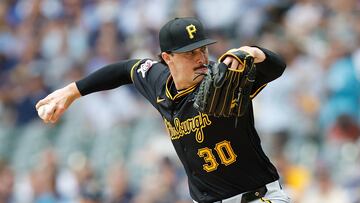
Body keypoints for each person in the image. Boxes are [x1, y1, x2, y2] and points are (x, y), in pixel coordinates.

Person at [36, 17, 290, 203]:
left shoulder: (224, 80)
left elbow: (276, 67)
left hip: (257, 198)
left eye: (203, 49)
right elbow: (125, 69)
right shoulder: (158, 81)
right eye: (190, 53)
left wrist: (253, 52)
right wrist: (71, 91)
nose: (201, 58)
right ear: (167, 58)